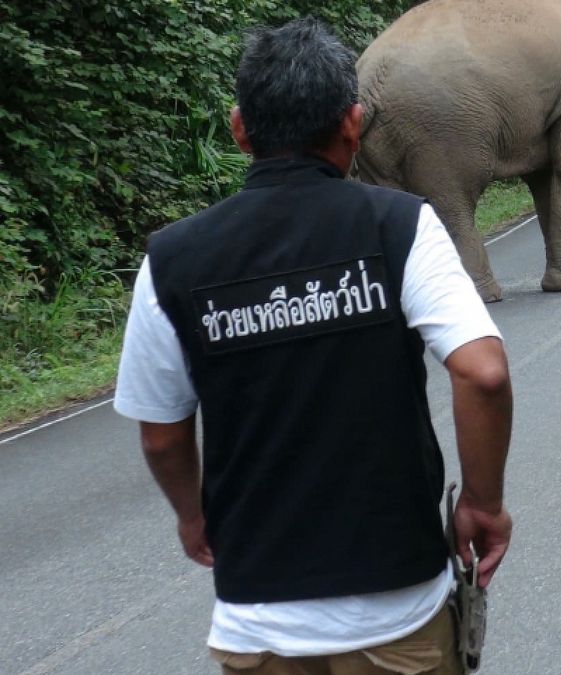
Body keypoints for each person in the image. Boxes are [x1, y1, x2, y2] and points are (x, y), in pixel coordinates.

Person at [114, 17, 513, 674]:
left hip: (257, 615)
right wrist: (482, 501)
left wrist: (193, 517)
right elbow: (484, 374)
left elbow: (161, 434)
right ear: (353, 124)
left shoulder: (171, 260)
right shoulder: (401, 226)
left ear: (240, 128)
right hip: (400, 609)